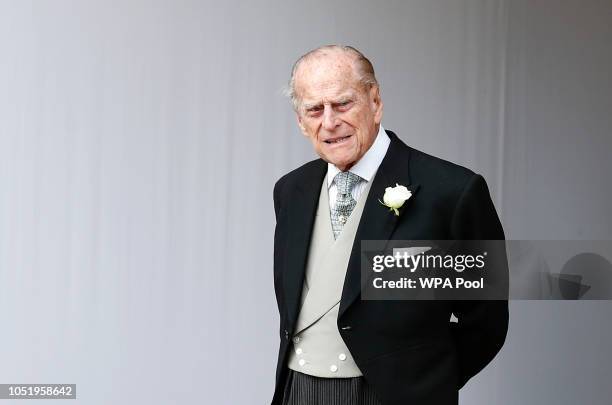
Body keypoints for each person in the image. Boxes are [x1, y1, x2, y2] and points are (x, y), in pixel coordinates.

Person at [271, 45, 508, 405]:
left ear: (375, 101)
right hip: (298, 391)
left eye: (343, 104)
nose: (330, 122)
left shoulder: (452, 191)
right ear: (301, 122)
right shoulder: (291, 190)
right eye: (315, 109)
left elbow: (486, 322)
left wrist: (424, 383)